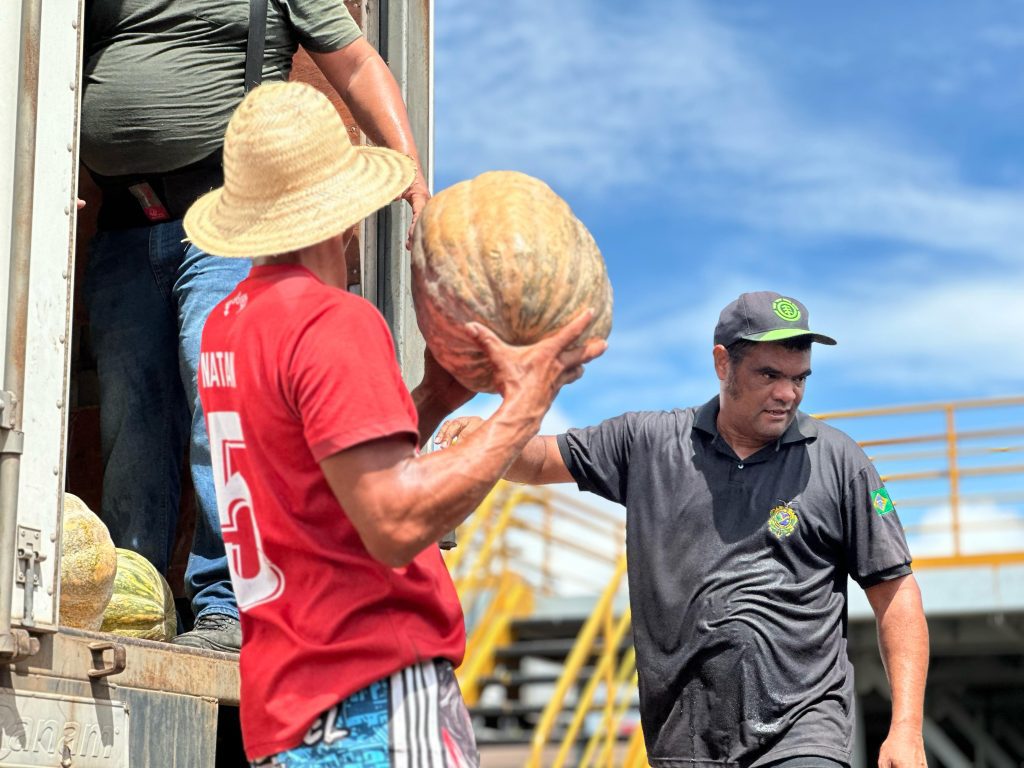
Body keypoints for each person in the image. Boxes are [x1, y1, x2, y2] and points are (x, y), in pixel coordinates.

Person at [185, 81, 606, 766]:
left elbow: (321, 483)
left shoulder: (229, 328)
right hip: (373, 695)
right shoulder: (334, 321)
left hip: (288, 707)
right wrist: (527, 400)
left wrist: (432, 400)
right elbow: (394, 525)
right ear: (340, 216)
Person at [440, 291, 929, 768]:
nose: (788, 393)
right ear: (722, 363)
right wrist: (492, 438)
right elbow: (543, 459)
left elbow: (896, 593)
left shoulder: (840, 462)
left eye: (801, 378)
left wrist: (905, 728)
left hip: (803, 729)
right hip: (684, 739)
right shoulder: (648, 443)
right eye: (769, 374)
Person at [80, 0, 429, 650]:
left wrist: (412, 178)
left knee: (223, 403)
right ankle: (135, 604)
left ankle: (233, 610)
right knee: (130, 426)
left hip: (226, 216)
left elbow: (354, 62)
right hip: (123, 225)